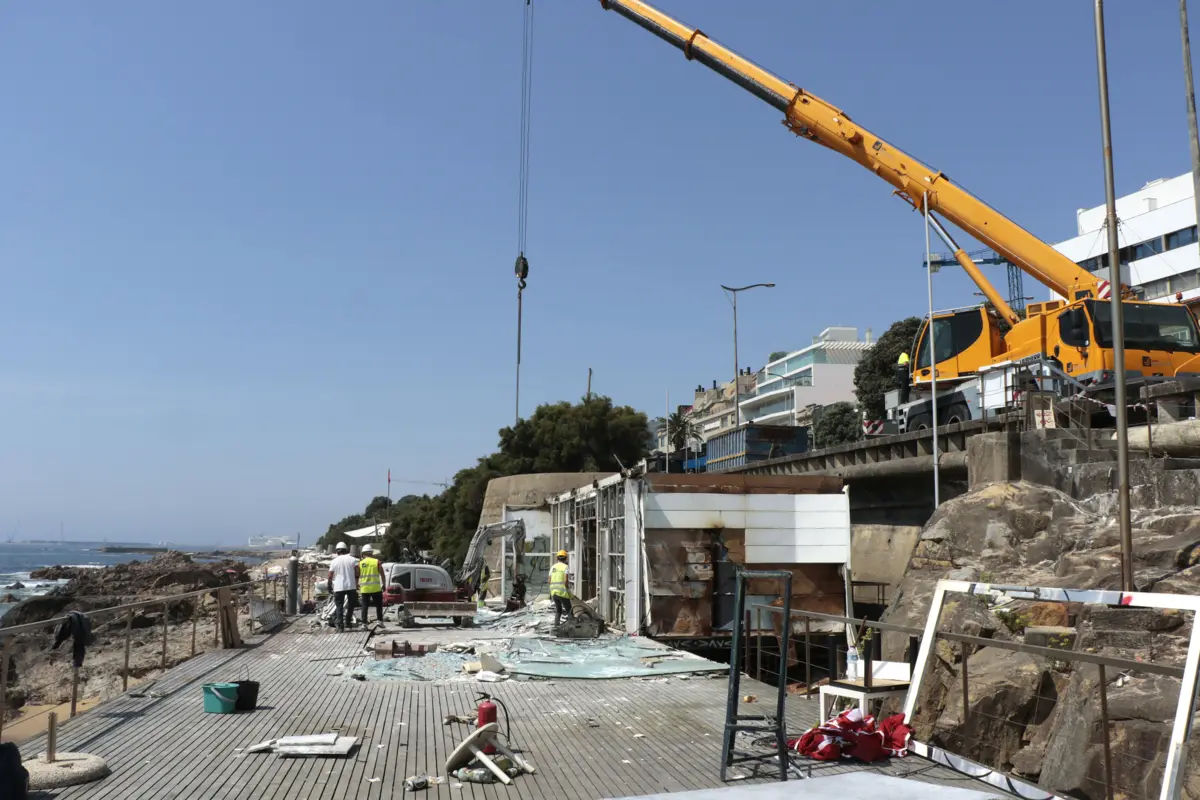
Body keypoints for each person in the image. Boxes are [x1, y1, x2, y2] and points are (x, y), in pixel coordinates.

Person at [327, 542, 359, 632]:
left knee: (339, 606)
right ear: (346, 550)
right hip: (351, 586)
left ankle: (340, 626)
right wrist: (356, 581)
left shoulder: (334, 561)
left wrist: (329, 585)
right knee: (351, 605)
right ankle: (348, 622)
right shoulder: (353, 560)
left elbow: (330, 575)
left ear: (337, 551)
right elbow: (357, 572)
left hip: (339, 587)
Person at [358, 544, 385, 626]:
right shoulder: (377, 562)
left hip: (365, 588)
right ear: (372, 553)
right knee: (378, 605)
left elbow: (357, 575)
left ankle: (364, 623)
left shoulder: (360, 563)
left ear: (363, 554)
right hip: (376, 588)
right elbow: (382, 574)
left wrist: (357, 585)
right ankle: (379, 621)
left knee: (365, 606)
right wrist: (384, 584)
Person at [549, 550, 571, 627]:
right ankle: (572, 626)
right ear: (566, 558)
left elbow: (549, 581)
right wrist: (568, 591)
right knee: (569, 609)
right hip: (562, 592)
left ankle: (556, 626)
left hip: (553, 593)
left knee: (558, 610)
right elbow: (566, 581)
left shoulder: (553, 567)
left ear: (557, 558)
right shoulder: (565, 567)